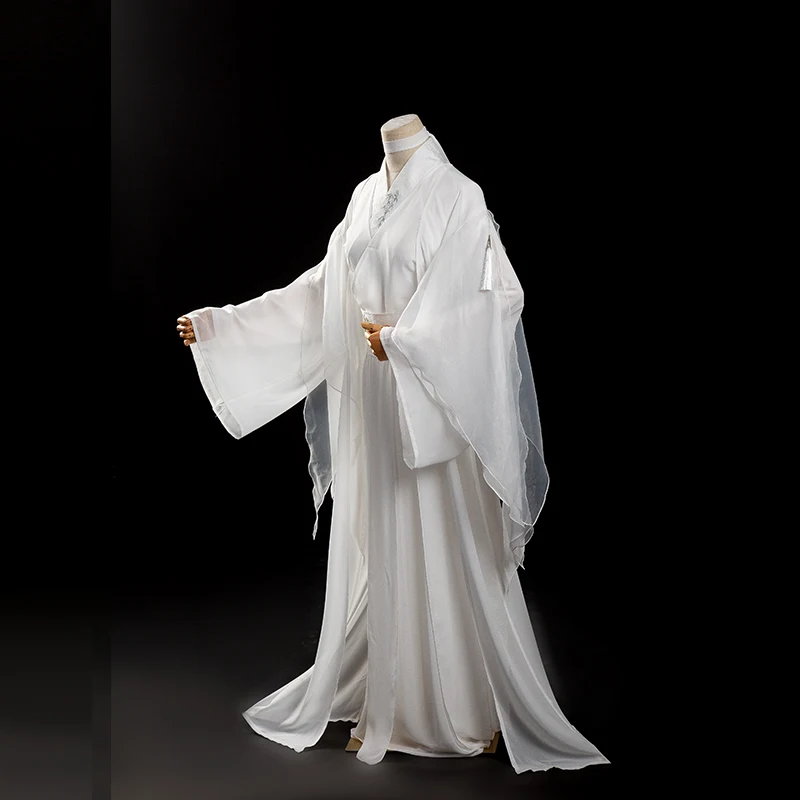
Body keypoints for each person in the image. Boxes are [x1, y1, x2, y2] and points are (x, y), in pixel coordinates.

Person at [175, 115, 610, 774]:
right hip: (376, 402)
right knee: (385, 540)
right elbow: (324, 289)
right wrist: (224, 325)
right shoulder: (365, 196)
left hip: (429, 397)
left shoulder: (458, 195)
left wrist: (405, 340)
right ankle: (388, 693)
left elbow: (496, 300)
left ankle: (461, 708)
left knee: (441, 536)